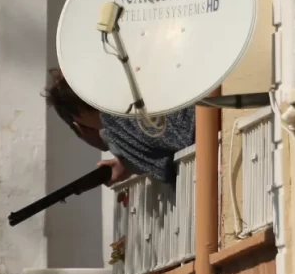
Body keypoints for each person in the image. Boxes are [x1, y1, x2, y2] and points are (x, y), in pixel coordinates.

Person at [43, 67, 196, 186]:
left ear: (78, 122)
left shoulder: (113, 120)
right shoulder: (128, 97)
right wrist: (129, 164)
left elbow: (167, 166)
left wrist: (132, 161)